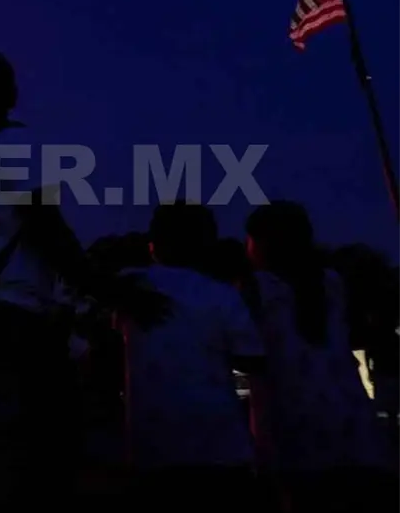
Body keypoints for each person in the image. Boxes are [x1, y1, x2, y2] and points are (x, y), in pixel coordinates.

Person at [0, 51, 169, 506]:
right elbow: (46, 229)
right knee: (36, 456)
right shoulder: (20, 145)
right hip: (18, 317)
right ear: (10, 95)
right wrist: (108, 289)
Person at [244, 202, 396, 511]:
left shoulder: (257, 287)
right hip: (350, 420)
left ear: (260, 243)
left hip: (292, 421)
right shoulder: (332, 282)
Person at [117, 203, 265, 510]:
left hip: (151, 445)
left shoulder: (130, 287)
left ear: (153, 244)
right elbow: (252, 359)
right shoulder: (222, 295)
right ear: (207, 244)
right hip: (220, 443)